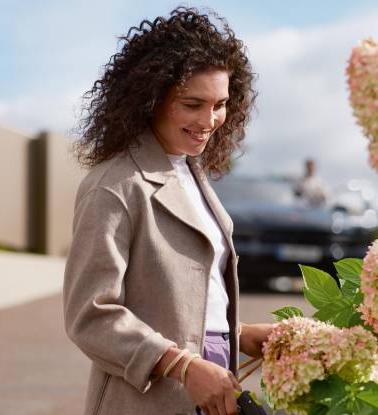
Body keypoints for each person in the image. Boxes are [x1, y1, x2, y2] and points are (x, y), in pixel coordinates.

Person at [63, 8, 273, 415]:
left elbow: (178, 300)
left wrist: (240, 334)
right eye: (192, 104)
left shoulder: (192, 173)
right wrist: (181, 365)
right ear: (150, 97)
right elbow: (89, 315)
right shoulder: (115, 186)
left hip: (211, 387)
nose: (209, 120)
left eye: (220, 104)